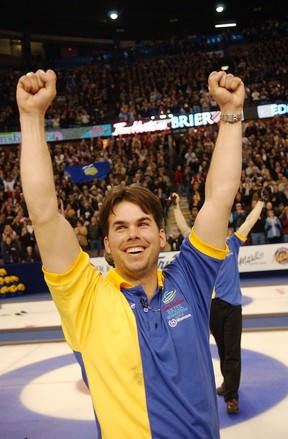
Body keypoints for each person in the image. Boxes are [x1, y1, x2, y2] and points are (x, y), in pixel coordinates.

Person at [17, 69, 244, 439]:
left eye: (142, 223)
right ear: (106, 244)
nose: (132, 235)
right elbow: (43, 215)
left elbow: (220, 196)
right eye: (119, 227)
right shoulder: (85, 299)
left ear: (162, 234)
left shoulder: (191, 279)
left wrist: (232, 113)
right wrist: (30, 117)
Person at [170, 194, 264, 415]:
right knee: (222, 349)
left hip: (232, 307)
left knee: (232, 352)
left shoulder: (233, 243)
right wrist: (175, 208)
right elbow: (184, 229)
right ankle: (227, 384)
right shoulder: (203, 247)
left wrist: (260, 202)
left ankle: (232, 396)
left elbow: (249, 222)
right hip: (211, 307)